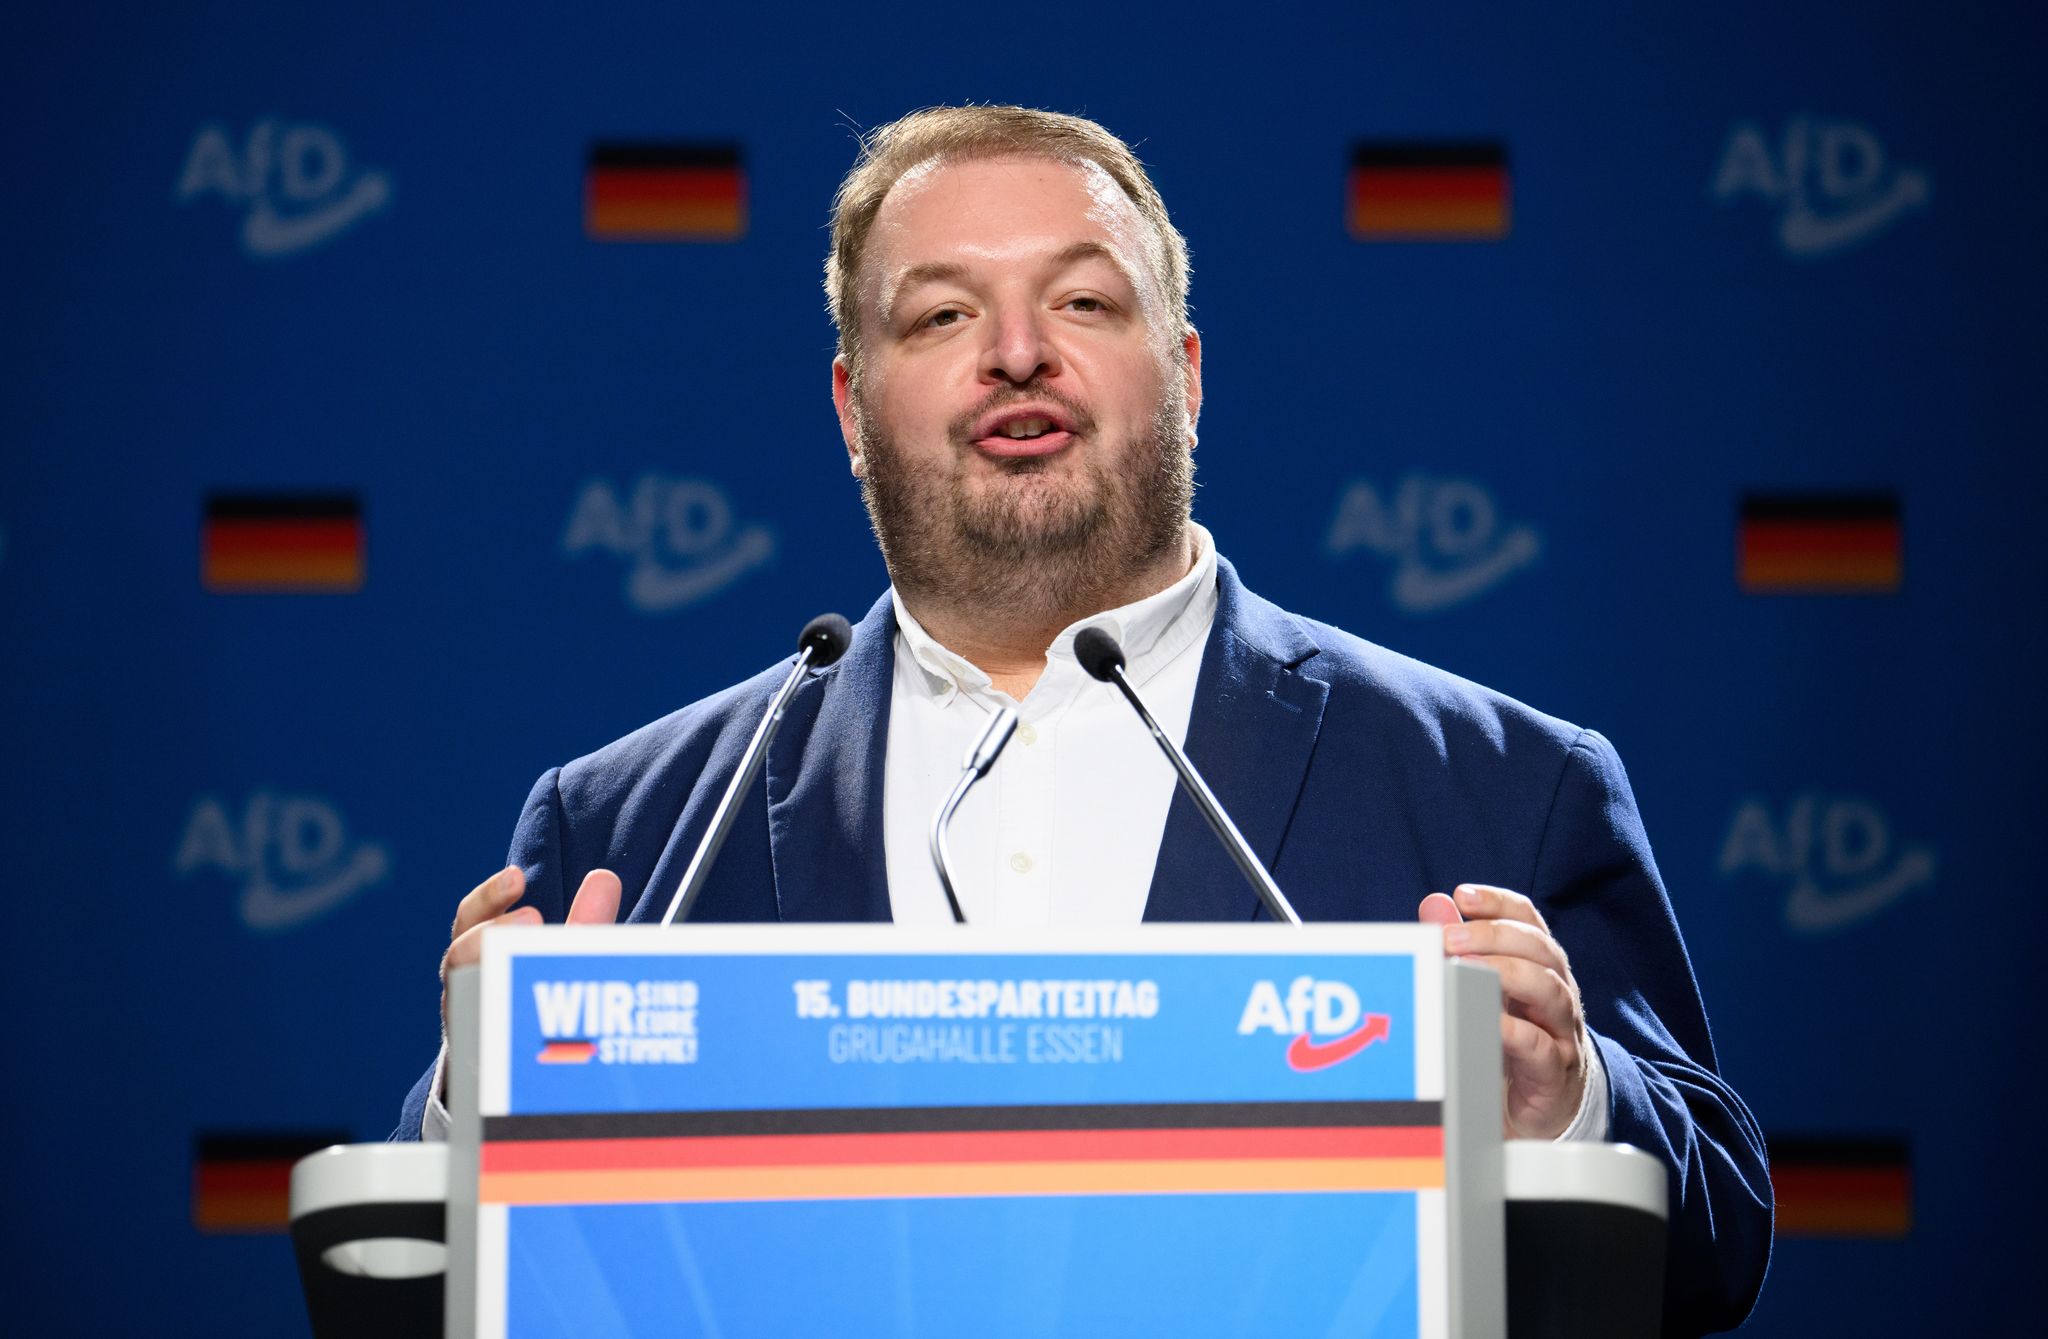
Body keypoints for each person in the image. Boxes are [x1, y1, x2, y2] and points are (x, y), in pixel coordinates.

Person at [395, 105, 1771, 1333]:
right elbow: (430, 1271)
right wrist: (480, 1107)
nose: (1014, 355)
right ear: (850, 409)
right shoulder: (623, 831)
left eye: (1084, 307)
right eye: (939, 316)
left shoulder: (1501, 786)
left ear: (1185, 371)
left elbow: (1716, 1251)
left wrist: (1569, 1104)